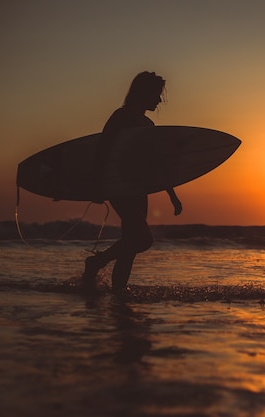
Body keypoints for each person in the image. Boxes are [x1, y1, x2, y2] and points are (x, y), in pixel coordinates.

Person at [82, 71, 182, 292]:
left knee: (131, 244)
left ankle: (118, 294)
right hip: (119, 186)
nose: (159, 100)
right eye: (157, 94)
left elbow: (156, 164)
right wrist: (98, 186)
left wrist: (172, 195)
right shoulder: (121, 117)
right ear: (144, 93)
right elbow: (102, 151)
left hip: (138, 189)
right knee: (143, 239)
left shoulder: (148, 124)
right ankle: (97, 262)